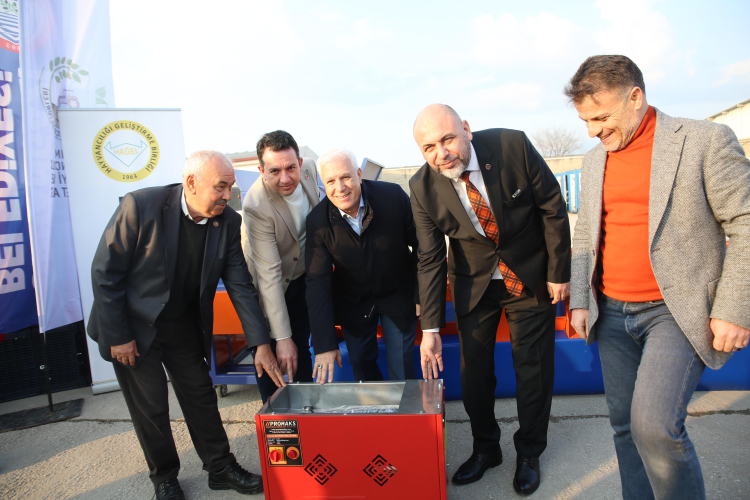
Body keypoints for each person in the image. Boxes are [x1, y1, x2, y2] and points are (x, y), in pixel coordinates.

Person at [566, 55, 750, 500]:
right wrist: (580, 300)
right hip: (612, 313)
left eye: (601, 118)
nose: (592, 131)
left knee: (654, 427)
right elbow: (585, 234)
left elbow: (746, 221)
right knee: (625, 427)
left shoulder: (704, 141)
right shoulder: (594, 161)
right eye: (586, 121)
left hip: (675, 311)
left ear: (635, 97)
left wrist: (734, 309)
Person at [88, 151, 287, 499]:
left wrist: (260, 344)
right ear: (191, 183)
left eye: (230, 187)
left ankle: (220, 468)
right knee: (151, 408)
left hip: (182, 326)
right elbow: (105, 273)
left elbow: (240, 286)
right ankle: (164, 478)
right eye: (220, 186)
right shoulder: (141, 206)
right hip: (134, 328)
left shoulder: (227, 222)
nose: (227, 195)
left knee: (201, 397)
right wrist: (118, 336)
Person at [410, 104, 571, 495]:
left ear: (466, 129)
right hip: (474, 284)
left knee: (532, 371)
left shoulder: (511, 146)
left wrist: (558, 272)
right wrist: (430, 328)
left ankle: (529, 452)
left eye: (448, 139)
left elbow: (552, 205)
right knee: (474, 375)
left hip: (528, 277)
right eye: (429, 147)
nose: (441, 153)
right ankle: (486, 449)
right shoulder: (422, 187)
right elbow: (429, 258)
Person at [305, 148, 420, 384]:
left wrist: (422, 294)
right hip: (354, 302)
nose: (340, 187)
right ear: (323, 184)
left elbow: (423, 246)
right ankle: (377, 405)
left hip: (399, 293)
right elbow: (317, 282)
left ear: (358, 174)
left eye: (345, 177)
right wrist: (324, 344)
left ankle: (407, 407)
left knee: (401, 365)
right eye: (330, 181)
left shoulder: (392, 197)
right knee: (359, 362)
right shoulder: (317, 221)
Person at [242, 130, 319, 402]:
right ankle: (276, 417)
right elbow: (269, 276)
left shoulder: (311, 170)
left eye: (291, 168)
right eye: (274, 171)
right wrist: (282, 338)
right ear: (261, 170)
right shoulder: (256, 206)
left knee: (301, 351)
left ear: (300, 163)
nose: (285, 179)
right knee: (274, 356)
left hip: (301, 277)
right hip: (267, 286)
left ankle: (308, 415)